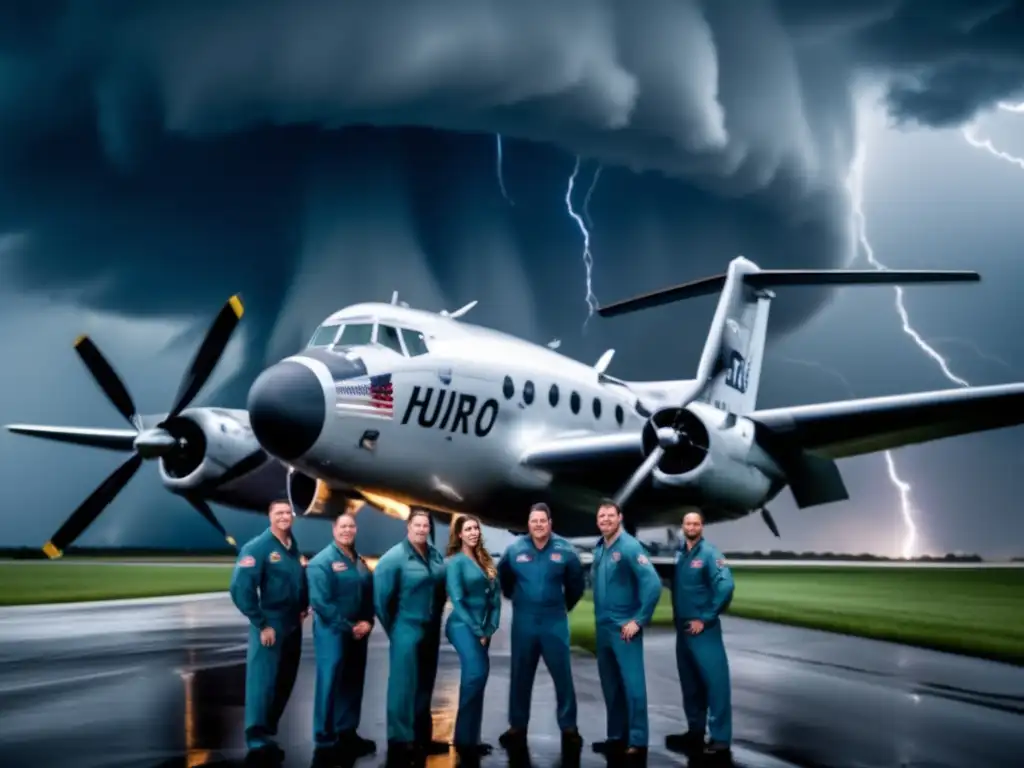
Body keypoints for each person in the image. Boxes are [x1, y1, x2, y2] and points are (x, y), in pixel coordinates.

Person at [497, 502, 586, 754]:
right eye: (534, 521)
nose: (538, 525)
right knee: (520, 676)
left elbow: (576, 584)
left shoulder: (565, 550)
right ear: (528, 524)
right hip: (524, 620)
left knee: (563, 676)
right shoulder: (515, 550)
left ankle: (569, 728)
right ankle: (517, 727)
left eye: (542, 521)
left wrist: (561, 607)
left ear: (550, 523)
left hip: (554, 621)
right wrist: (518, 598)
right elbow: (504, 578)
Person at [229, 499, 309, 765]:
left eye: (288, 512)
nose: (285, 516)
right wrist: (261, 623)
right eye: (279, 513)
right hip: (270, 622)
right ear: (270, 517)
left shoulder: (291, 547)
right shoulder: (257, 548)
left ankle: (267, 732)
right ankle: (256, 736)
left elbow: (298, 579)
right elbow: (241, 589)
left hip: (292, 623)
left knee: (284, 679)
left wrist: (302, 606)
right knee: (262, 682)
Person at [590, 499, 663, 764]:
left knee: (633, 687)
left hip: (625, 630)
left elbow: (652, 584)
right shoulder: (600, 548)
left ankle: (638, 741)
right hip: (604, 628)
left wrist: (639, 619)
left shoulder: (630, 547)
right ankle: (615, 737)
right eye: (602, 516)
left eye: (610, 515)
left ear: (619, 517)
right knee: (611, 687)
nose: (606, 520)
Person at [373, 510, 449, 763]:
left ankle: (421, 737)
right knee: (403, 686)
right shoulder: (393, 559)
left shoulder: (435, 555)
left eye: (425, 525)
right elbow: (382, 601)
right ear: (408, 527)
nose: (421, 529)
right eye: (417, 525)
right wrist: (395, 629)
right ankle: (400, 740)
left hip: (430, 627)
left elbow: (441, 589)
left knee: (425, 684)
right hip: (406, 626)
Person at [664, 510, 735, 766]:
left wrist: (705, 618)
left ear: (702, 526)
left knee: (715, 684)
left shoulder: (710, 554)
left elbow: (725, 586)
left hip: (703, 631)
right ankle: (695, 732)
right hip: (683, 631)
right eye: (687, 523)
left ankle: (720, 739)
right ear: (683, 526)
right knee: (690, 685)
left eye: (696, 523)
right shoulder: (681, 554)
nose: (691, 526)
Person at [307, 513, 376, 764]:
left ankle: (347, 732)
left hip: (358, 631)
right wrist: (349, 626)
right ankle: (324, 739)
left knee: (352, 681)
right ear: (334, 530)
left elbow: (369, 594)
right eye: (342, 526)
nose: (347, 530)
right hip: (333, 632)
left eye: (351, 526)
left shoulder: (358, 561)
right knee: (330, 681)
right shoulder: (322, 562)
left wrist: (368, 620)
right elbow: (321, 603)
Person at [444, 514, 502, 765]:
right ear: (459, 534)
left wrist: (490, 628)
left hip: (482, 628)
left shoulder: (485, 561)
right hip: (461, 625)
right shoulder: (456, 563)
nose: (473, 533)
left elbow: (496, 600)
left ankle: (471, 739)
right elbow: (457, 599)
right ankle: (463, 740)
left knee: (478, 677)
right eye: (467, 529)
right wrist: (478, 631)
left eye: (475, 528)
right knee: (475, 674)